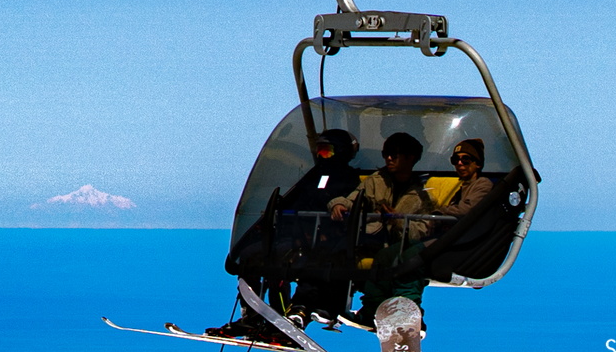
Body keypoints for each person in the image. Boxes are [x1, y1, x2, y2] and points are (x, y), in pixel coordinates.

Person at [208, 129, 362, 339]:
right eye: (319, 151)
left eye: (327, 152)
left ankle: (281, 318)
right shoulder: (311, 176)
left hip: (323, 243)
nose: (321, 156)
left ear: (342, 152)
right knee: (251, 256)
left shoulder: (349, 179)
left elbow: (347, 213)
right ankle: (251, 316)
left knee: (281, 265)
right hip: (293, 237)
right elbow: (292, 200)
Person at [328, 131, 435, 325]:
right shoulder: (375, 181)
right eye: (386, 153)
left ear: (410, 158)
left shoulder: (422, 195)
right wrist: (338, 204)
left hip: (402, 246)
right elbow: (354, 199)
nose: (388, 158)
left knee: (405, 264)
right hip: (375, 243)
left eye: (394, 154)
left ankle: (408, 315)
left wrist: (397, 220)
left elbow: (422, 231)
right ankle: (368, 311)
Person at [437, 138, 493, 219]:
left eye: (465, 159)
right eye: (455, 159)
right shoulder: (460, 190)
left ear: (478, 163)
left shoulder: (483, 184)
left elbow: (465, 210)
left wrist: (440, 210)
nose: (459, 163)